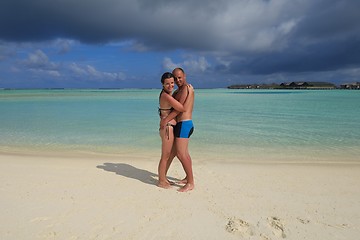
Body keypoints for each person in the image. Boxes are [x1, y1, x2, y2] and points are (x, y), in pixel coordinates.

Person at [160, 67, 195, 192]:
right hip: (180, 125)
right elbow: (168, 106)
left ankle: (190, 182)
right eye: (175, 78)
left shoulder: (186, 89)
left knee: (181, 154)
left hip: (184, 124)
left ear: (184, 76)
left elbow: (180, 109)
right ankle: (186, 178)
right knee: (182, 153)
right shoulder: (176, 92)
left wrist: (165, 120)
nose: (178, 80)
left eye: (180, 77)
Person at [157, 72, 188, 189]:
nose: (170, 86)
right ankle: (161, 180)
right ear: (162, 85)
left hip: (168, 126)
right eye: (167, 84)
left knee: (172, 153)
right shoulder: (165, 96)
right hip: (168, 128)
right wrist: (166, 121)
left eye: (172, 83)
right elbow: (181, 108)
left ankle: (163, 177)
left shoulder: (168, 95)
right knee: (165, 155)